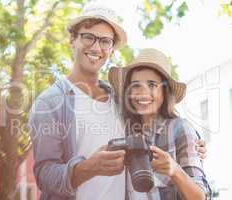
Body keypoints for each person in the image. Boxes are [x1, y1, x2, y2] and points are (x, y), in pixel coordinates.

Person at [28, 3, 207, 200]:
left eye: (105, 41)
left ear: (112, 49)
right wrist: (88, 168)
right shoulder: (49, 103)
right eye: (88, 37)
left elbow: (159, 125)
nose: (96, 47)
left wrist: (190, 144)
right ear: (73, 39)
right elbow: (44, 175)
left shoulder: (120, 101)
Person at [108, 48, 211, 199]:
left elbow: (201, 197)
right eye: (135, 85)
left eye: (152, 85)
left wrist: (175, 171)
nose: (143, 92)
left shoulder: (180, 129)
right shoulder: (123, 131)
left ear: (165, 92)